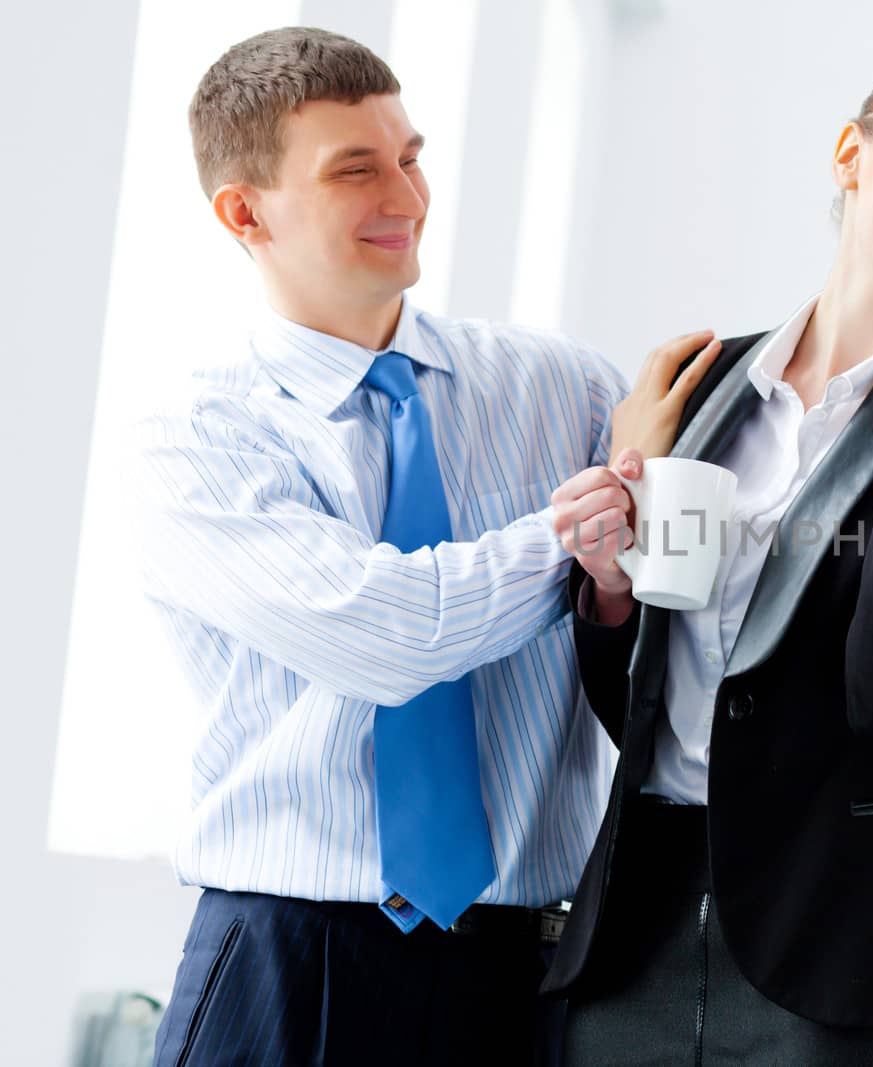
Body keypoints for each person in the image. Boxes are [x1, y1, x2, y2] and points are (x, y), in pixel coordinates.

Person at [140, 27, 712, 1066]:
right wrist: (570, 528)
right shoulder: (200, 439)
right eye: (356, 170)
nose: (404, 196)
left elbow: (653, 627)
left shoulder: (565, 389)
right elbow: (383, 632)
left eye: (409, 157)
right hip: (288, 963)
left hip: (519, 973)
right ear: (244, 211)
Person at [542, 53, 873, 1063]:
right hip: (638, 928)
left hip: (853, 951)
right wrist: (612, 583)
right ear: (851, 153)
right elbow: (657, 705)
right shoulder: (703, 386)